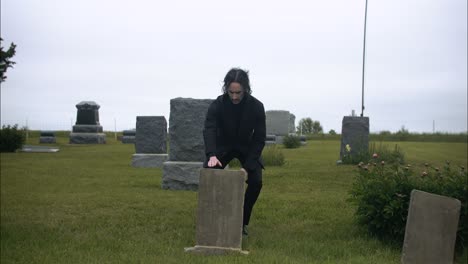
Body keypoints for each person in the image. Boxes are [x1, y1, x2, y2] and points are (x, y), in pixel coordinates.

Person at [203, 67, 266, 236]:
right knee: (209, 173)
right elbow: (209, 129)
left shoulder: (257, 107)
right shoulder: (217, 104)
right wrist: (212, 155)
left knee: (256, 181)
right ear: (226, 89)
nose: (234, 97)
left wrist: (248, 166)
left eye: (238, 92)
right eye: (231, 92)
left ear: (245, 89)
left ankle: (241, 222)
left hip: (246, 147)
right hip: (223, 147)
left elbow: (259, 138)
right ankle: (213, 218)